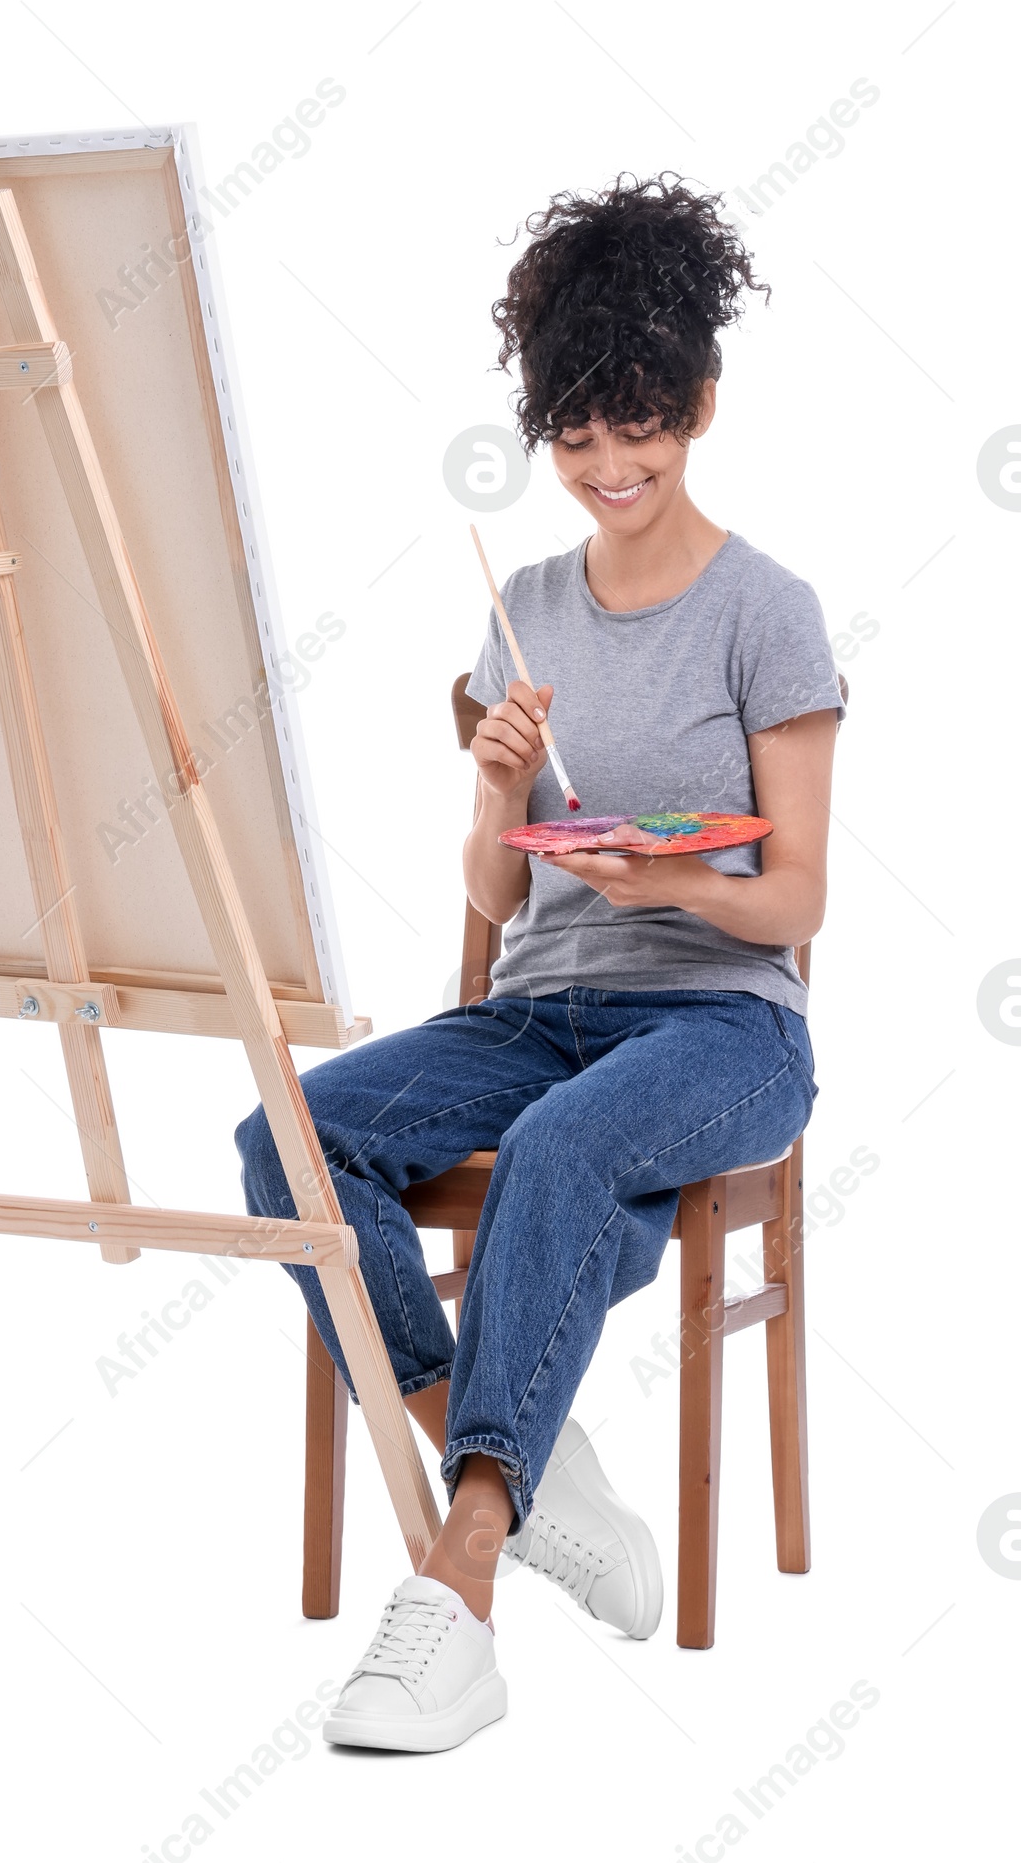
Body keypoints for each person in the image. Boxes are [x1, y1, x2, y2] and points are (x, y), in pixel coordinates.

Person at [236, 173, 843, 1753]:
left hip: (724, 1021)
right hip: (543, 1004)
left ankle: (462, 1576)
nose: (605, 466)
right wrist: (501, 791)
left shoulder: (767, 615)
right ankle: (511, 1445)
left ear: (699, 405)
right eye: (572, 434)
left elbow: (798, 905)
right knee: (286, 1136)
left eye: (634, 426)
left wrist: (669, 876)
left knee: (567, 1149)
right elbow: (497, 903)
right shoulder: (519, 606)